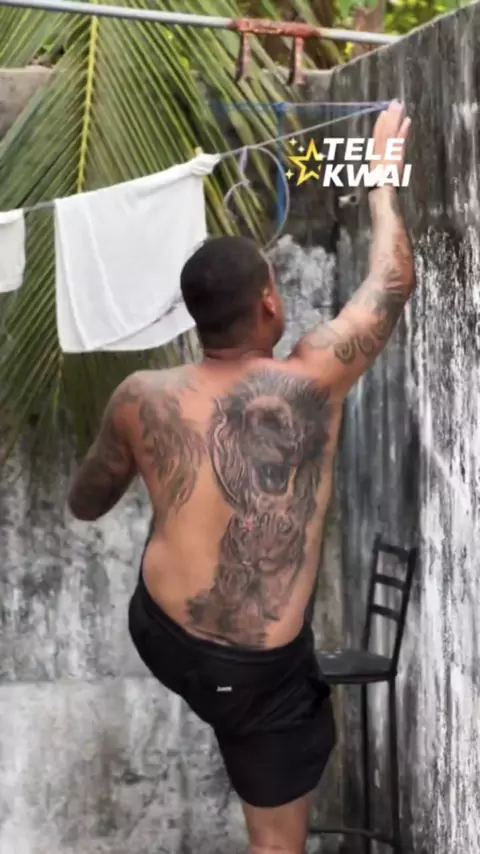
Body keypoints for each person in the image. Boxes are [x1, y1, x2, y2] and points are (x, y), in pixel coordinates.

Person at [68, 101, 414, 854]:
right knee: (276, 842)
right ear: (268, 303)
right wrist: (382, 179)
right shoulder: (313, 382)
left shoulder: (139, 397)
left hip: (163, 635)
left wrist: (151, 472)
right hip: (259, 675)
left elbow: (86, 502)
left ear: (197, 318)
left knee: (233, 690)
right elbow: (392, 281)